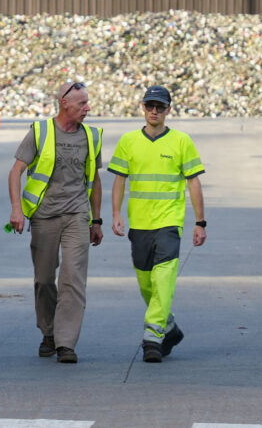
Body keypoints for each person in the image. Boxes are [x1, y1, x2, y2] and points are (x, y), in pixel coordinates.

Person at [7, 80, 103, 364]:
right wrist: (17, 210)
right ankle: (48, 332)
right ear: (64, 103)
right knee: (45, 279)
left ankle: (65, 343)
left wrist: (96, 220)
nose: (87, 108)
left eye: (87, 102)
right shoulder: (40, 132)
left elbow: (95, 180)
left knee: (73, 279)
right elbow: (15, 173)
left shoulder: (92, 136)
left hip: (77, 216)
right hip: (44, 216)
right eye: (82, 103)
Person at [109, 85, 206, 363]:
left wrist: (200, 222)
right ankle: (170, 327)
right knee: (146, 283)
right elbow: (119, 180)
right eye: (150, 105)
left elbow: (194, 182)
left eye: (160, 107)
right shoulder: (128, 141)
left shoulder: (181, 141)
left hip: (168, 223)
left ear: (168, 110)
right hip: (139, 225)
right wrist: (116, 214)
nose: (154, 111)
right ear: (142, 107)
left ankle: (152, 338)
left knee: (163, 278)